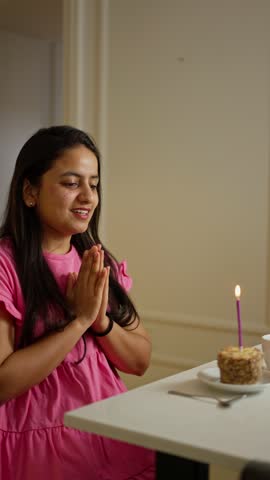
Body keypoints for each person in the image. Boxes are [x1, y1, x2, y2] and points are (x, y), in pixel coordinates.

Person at [0, 126, 155, 480]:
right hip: (37, 447)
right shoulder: (5, 266)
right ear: (29, 191)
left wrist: (100, 323)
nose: (88, 197)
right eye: (72, 183)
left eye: (94, 184)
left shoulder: (98, 261)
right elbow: (2, 382)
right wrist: (79, 322)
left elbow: (140, 360)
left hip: (108, 432)